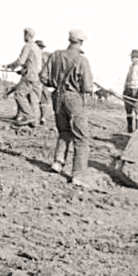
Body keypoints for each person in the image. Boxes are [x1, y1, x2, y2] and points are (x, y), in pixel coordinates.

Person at [40, 29, 93, 185]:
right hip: (74, 99)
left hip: (57, 97)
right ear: (81, 43)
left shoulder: (55, 55)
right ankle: (79, 175)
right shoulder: (82, 61)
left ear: (70, 40)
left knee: (64, 131)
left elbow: (43, 77)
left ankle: (57, 162)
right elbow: (88, 87)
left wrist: (55, 83)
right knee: (82, 138)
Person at [3, 27, 43, 126]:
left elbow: (21, 61)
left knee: (19, 94)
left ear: (27, 35)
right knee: (33, 99)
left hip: (29, 75)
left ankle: (29, 116)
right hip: (36, 77)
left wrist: (10, 66)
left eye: (24, 34)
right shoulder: (37, 48)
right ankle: (35, 121)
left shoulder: (28, 46)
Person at [123, 49, 138, 133]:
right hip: (128, 90)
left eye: (134, 57)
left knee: (137, 111)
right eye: (132, 57)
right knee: (128, 110)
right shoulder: (130, 67)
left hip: (136, 90)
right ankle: (129, 129)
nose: (132, 59)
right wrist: (124, 89)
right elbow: (127, 79)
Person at [35, 40, 50, 125]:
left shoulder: (41, 56)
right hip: (41, 80)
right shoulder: (45, 56)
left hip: (38, 80)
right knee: (44, 99)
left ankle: (42, 117)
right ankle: (42, 117)